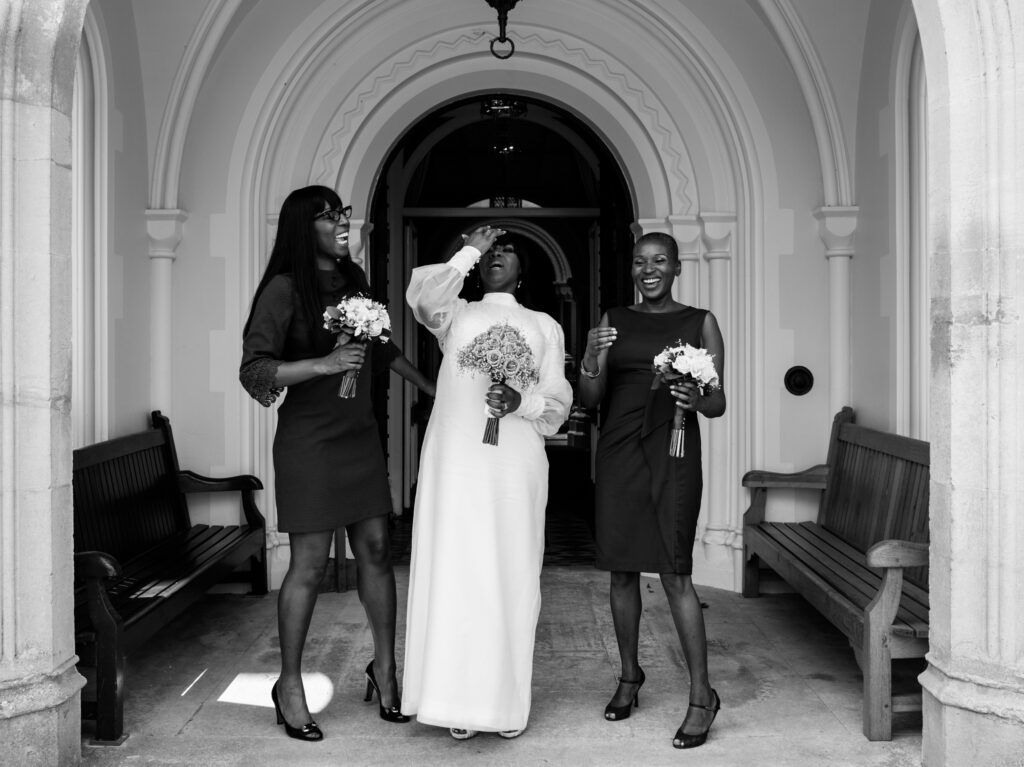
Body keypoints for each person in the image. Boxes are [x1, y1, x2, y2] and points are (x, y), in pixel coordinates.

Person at [240, 185, 431, 741]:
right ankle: (289, 685)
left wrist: (432, 387)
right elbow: (255, 369)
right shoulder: (282, 289)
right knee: (309, 564)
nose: (342, 222)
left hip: (358, 438)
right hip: (310, 443)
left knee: (376, 550)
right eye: (328, 216)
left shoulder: (354, 281)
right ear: (304, 229)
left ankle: (385, 670)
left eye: (342, 212)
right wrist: (323, 364)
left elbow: (382, 348)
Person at [401, 226, 573, 740]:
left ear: (524, 269)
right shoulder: (455, 314)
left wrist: (521, 402)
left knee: (510, 573)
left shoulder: (544, 325)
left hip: (514, 464)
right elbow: (423, 298)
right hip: (456, 459)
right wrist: (468, 252)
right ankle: (454, 701)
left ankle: (503, 705)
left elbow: (556, 405)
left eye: (508, 249)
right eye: (491, 250)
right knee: (457, 570)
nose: (498, 254)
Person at [578, 231, 726, 750]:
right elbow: (590, 398)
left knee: (674, 571)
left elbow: (718, 403)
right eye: (641, 261)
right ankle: (628, 676)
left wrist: (695, 397)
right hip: (619, 452)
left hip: (674, 451)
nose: (649, 269)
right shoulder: (613, 319)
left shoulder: (700, 321)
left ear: (677, 267)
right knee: (621, 570)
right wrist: (590, 358)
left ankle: (702, 695)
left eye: (660, 260)